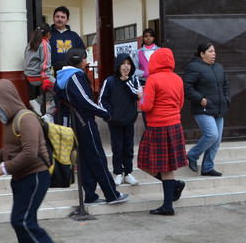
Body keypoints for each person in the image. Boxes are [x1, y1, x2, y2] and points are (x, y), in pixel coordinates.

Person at [0, 79, 63, 243]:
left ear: (6, 100)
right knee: (24, 222)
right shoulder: (11, 121)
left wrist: (3, 168)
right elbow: (12, 149)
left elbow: (30, 152)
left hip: (35, 176)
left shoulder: (26, 118)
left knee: (22, 221)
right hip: (22, 177)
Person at [55, 48, 128, 206]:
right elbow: (84, 100)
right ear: (78, 60)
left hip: (74, 122)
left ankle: (90, 196)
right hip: (84, 121)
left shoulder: (61, 76)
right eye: (84, 58)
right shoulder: (74, 76)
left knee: (85, 160)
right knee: (97, 157)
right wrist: (105, 113)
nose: (86, 61)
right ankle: (111, 194)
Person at [137, 48, 188, 216]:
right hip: (174, 125)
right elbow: (180, 103)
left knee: (144, 163)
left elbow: (146, 106)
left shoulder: (153, 79)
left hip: (157, 126)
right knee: (168, 167)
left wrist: (140, 97)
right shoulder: (178, 79)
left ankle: (168, 203)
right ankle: (172, 193)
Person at [182, 42, 230, 177]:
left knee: (216, 141)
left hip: (219, 108)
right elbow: (186, 87)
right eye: (210, 51)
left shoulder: (219, 67)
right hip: (202, 108)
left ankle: (208, 167)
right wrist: (200, 99)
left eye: (214, 51)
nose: (214, 54)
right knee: (212, 135)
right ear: (202, 54)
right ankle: (192, 155)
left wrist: (227, 99)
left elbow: (226, 85)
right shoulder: (194, 67)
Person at [99, 53, 141, 186]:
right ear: (118, 65)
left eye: (128, 64)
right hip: (115, 121)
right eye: (123, 64)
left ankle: (128, 173)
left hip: (129, 120)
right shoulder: (109, 81)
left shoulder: (134, 80)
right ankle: (118, 172)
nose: (126, 67)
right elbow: (102, 100)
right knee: (117, 147)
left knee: (128, 147)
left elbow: (138, 95)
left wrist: (127, 82)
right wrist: (109, 115)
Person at [23, 23, 55, 118]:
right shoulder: (44, 44)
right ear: (48, 34)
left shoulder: (30, 43)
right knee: (60, 87)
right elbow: (45, 64)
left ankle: (47, 108)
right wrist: (46, 79)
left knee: (53, 88)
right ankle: (38, 102)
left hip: (29, 75)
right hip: (37, 76)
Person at [49, 6, 85, 70]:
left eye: (63, 17)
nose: (59, 19)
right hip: (51, 72)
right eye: (57, 16)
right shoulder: (48, 35)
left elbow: (82, 54)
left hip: (71, 71)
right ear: (53, 18)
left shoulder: (74, 36)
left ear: (67, 20)